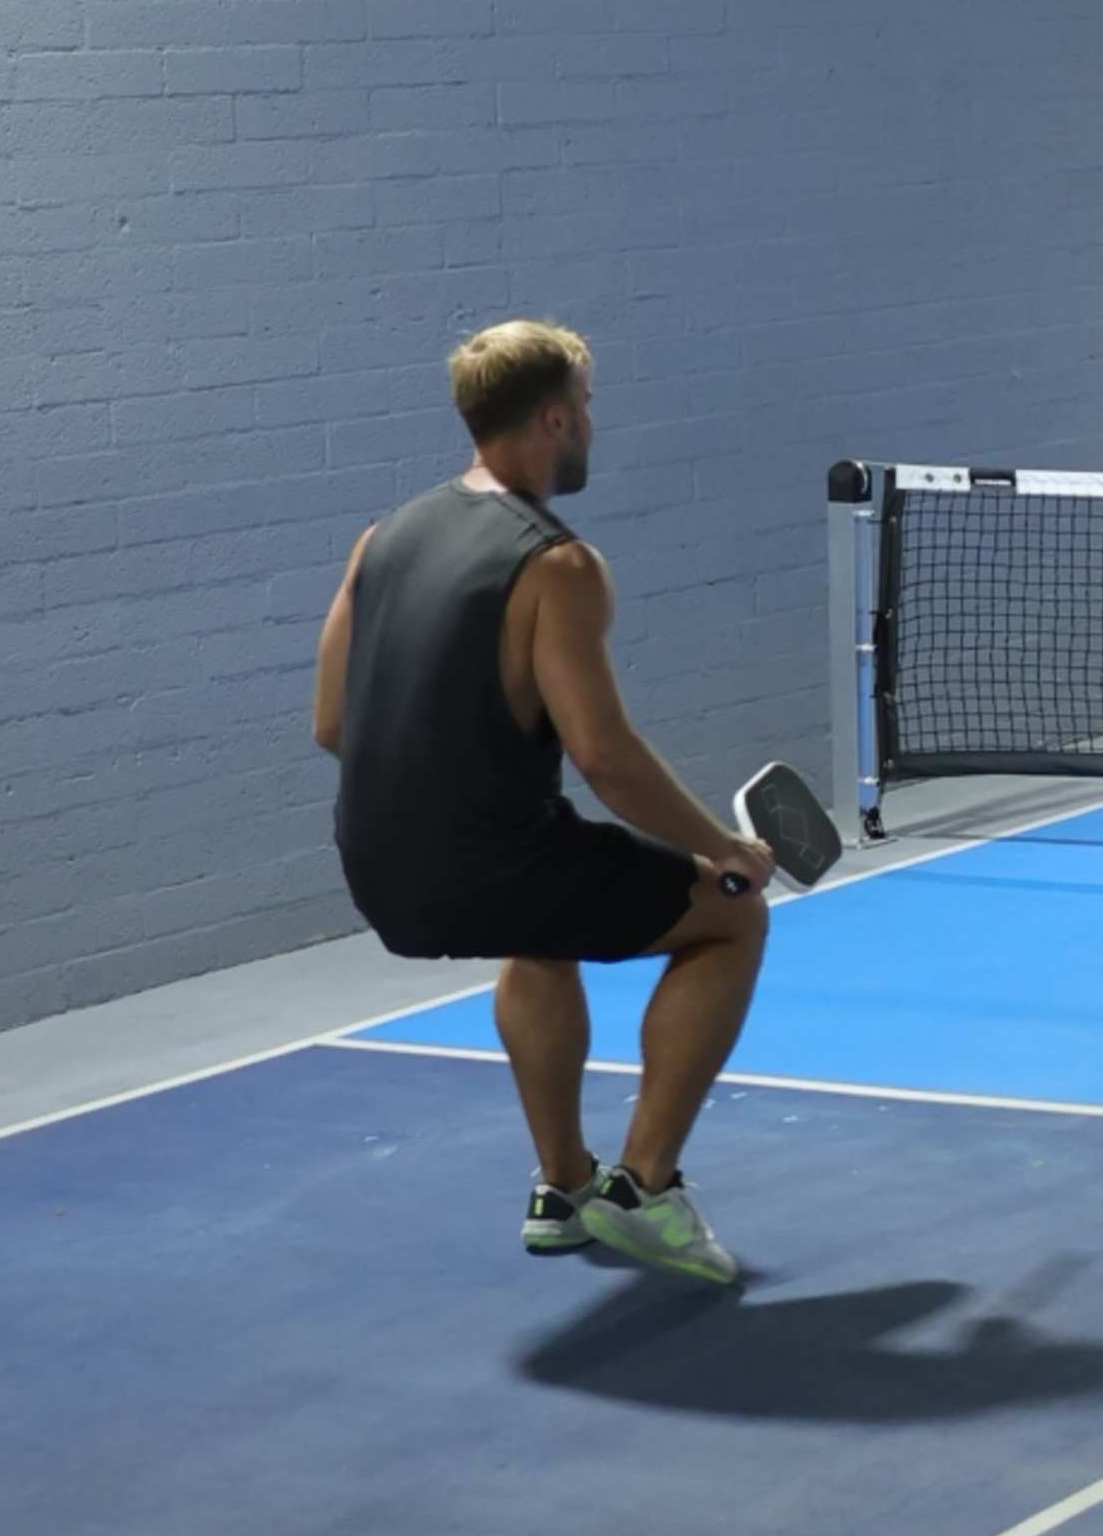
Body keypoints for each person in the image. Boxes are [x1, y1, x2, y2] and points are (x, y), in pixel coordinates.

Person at [315, 320, 775, 1286]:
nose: (593, 425)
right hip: (490, 864)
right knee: (732, 921)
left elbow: (331, 723)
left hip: (374, 870)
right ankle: (644, 1188)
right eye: (590, 406)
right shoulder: (557, 564)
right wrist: (723, 850)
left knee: (546, 923)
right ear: (555, 418)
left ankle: (563, 1187)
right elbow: (605, 758)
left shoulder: (382, 536)